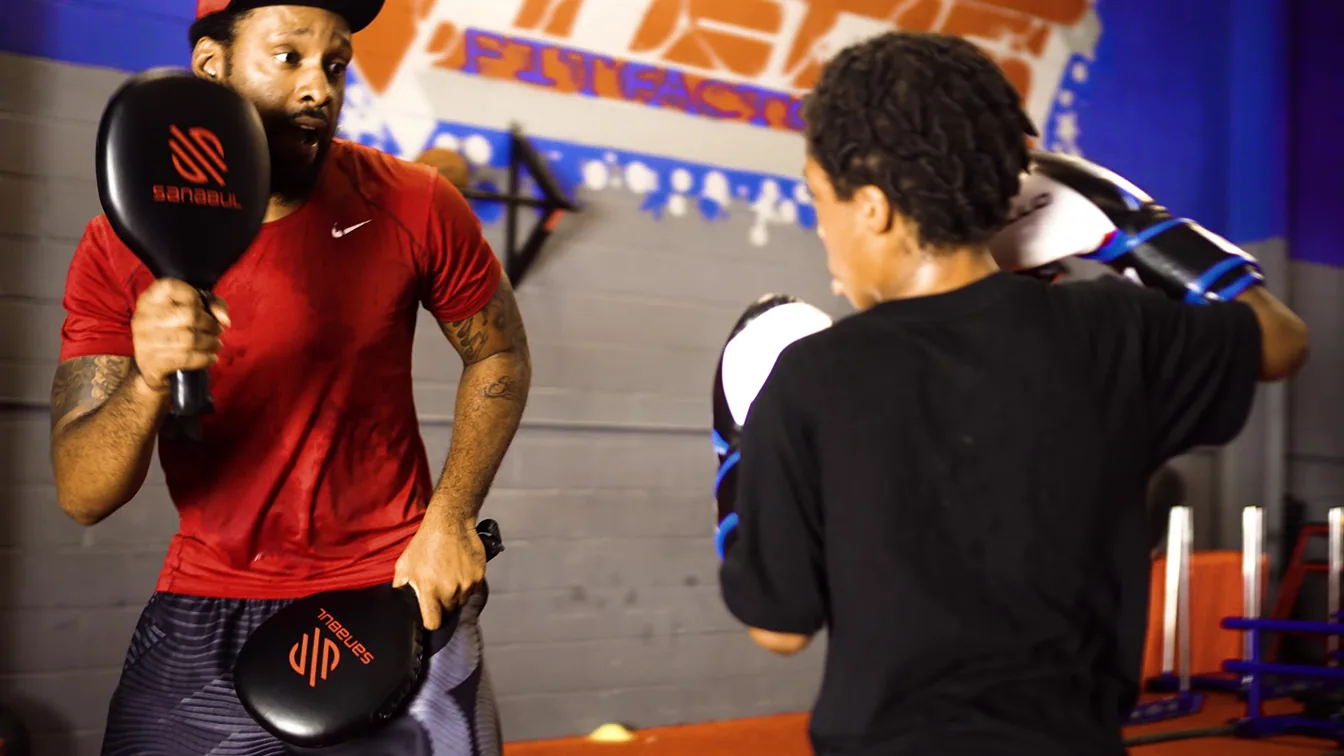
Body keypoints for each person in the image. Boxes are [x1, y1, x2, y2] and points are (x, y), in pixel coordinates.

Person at [716, 31, 1308, 756]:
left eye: (819, 198)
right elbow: (1281, 342)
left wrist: (734, 457)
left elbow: (779, 627)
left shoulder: (808, 378)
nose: (821, 226)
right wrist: (1127, 228)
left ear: (872, 207)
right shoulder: (1111, 333)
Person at [49, 0, 531, 753]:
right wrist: (146, 381)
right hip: (209, 596)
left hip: (393, 588)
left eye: (335, 64)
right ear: (213, 65)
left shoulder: (413, 204)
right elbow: (83, 495)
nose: (320, 89)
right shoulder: (120, 243)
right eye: (289, 58)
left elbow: (498, 351)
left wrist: (451, 517)